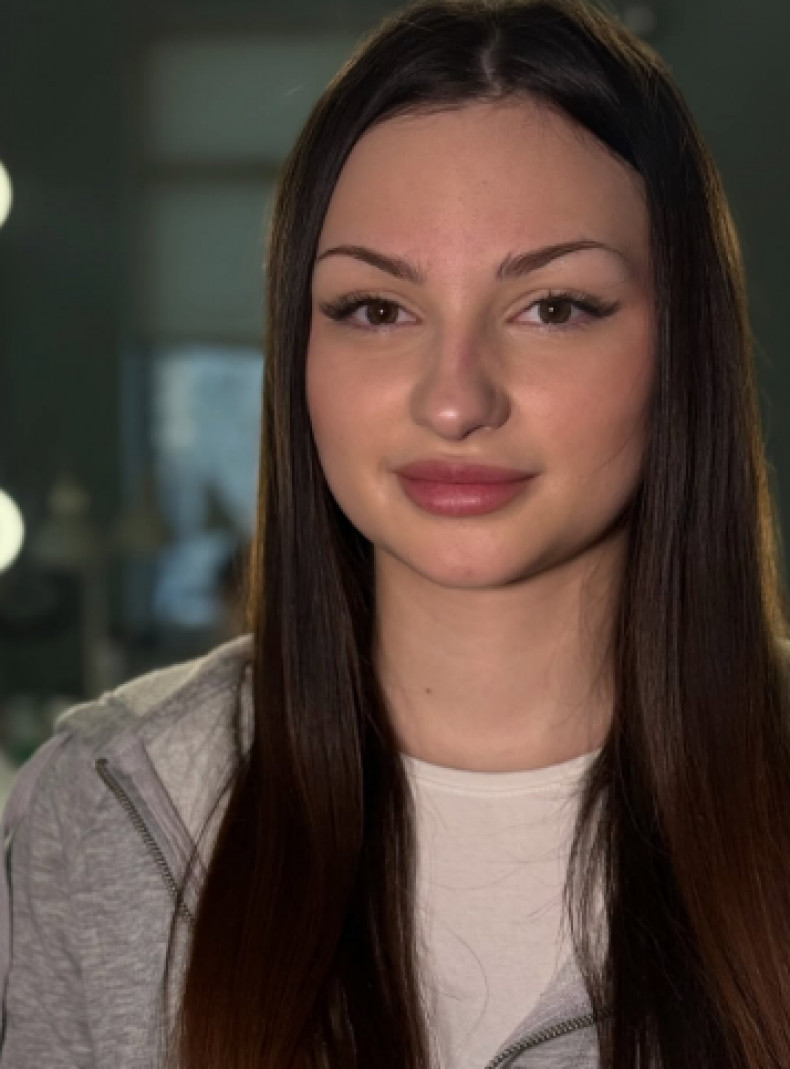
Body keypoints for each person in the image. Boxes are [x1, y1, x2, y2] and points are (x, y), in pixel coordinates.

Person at [2, 0, 790, 1066]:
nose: (454, 401)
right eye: (376, 309)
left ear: (683, 344)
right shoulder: (103, 804)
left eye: (554, 306)